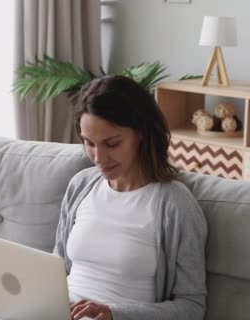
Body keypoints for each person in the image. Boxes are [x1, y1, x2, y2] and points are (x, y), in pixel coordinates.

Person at [53, 75, 208, 320]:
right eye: (88, 143)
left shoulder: (175, 205)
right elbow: (55, 272)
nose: (98, 158)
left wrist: (114, 313)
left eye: (111, 144)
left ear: (142, 134)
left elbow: (191, 307)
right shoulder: (81, 185)